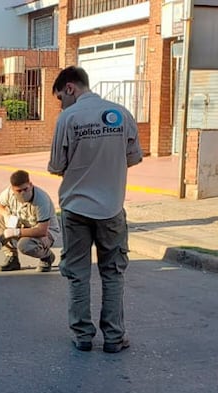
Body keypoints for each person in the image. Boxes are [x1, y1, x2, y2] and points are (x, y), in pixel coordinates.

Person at [47, 66, 143, 354]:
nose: (60, 104)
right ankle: (114, 337)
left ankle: (82, 335)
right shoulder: (122, 113)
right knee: (113, 272)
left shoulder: (68, 118)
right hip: (112, 208)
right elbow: (133, 158)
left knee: (77, 272)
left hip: (76, 208)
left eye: (59, 98)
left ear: (70, 88)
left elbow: (56, 166)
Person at [0, 170, 60, 272]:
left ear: (30, 185)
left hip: (45, 232)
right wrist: (6, 214)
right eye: (19, 191)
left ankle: (47, 256)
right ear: (13, 189)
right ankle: (12, 258)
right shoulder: (9, 193)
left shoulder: (41, 199)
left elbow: (42, 230)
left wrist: (15, 232)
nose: (23, 193)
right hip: (24, 226)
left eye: (25, 189)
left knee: (24, 245)